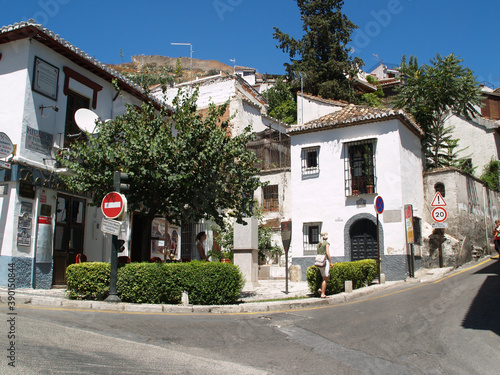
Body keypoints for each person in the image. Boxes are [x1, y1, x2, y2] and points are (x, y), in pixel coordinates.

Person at [317, 232, 333, 298]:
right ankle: (323, 294)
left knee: (327, 276)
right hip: (324, 261)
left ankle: (321, 289)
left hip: (319, 261)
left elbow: (317, 253)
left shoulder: (319, 244)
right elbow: (327, 253)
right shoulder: (326, 243)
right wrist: (331, 262)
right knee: (325, 278)